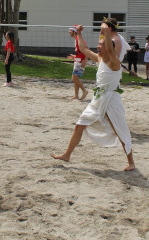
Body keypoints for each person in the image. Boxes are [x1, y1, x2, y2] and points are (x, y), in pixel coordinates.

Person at [52, 23, 135, 171]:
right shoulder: (99, 59)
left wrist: (106, 30)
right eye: (98, 43)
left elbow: (110, 49)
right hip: (98, 98)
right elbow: (83, 49)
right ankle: (67, 155)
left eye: (101, 44)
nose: (98, 46)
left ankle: (131, 163)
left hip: (112, 98)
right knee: (79, 125)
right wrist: (79, 34)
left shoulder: (114, 62)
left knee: (120, 129)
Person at [68, 27, 88, 100]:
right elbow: (80, 52)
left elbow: (86, 49)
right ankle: (76, 95)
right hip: (78, 59)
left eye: (70, 31)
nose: (69, 32)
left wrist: (85, 60)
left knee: (74, 78)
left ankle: (84, 91)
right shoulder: (76, 40)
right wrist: (74, 56)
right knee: (76, 78)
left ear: (75, 31)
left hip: (81, 61)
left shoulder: (79, 40)